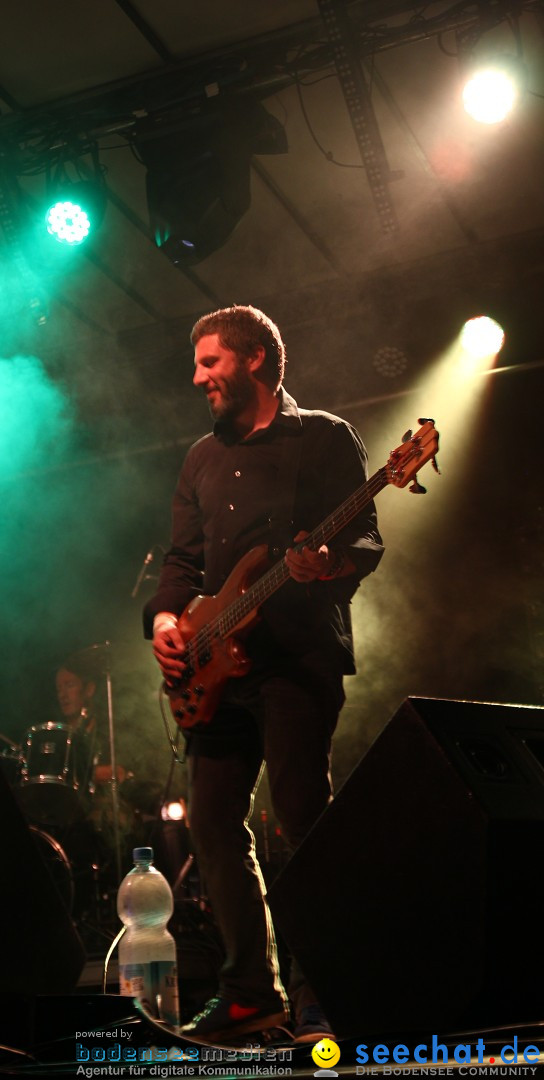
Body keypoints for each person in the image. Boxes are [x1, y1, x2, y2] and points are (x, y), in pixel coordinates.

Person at [143, 305, 384, 1044]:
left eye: (209, 362)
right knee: (214, 823)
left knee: (303, 815)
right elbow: (182, 562)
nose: (197, 378)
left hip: (294, 659)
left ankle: (333, 989)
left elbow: (366, 539)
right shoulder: (199, 457)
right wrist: (165, 623)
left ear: (254, 360)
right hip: (216, 666)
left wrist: (328, 563)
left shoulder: (325, 437)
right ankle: (251, 992)